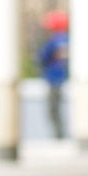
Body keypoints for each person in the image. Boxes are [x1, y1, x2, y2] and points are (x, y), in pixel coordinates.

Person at [37, 9, 69, 140]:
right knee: (57, 109)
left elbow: (42, 57)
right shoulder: (66, 39)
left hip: (54, 79)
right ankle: (60, 134)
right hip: (62, 78)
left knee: (53, 110)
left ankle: (58, 136)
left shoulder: (54, 40)